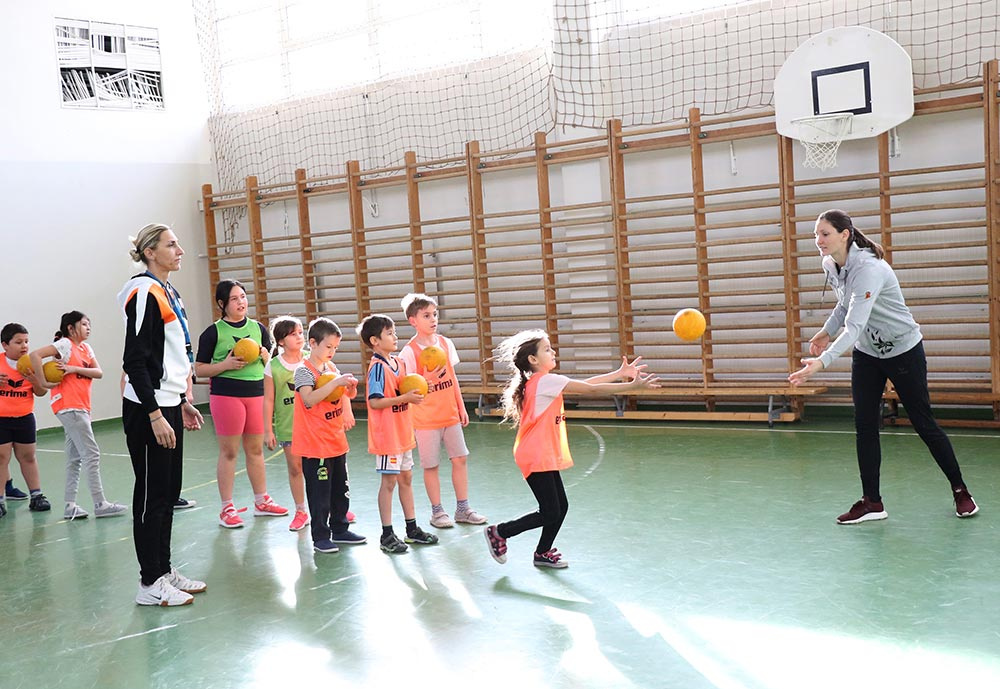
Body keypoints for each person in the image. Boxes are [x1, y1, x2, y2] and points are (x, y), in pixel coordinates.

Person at [788, 209, 979, 524]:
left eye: (825, 234)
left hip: (903, 350)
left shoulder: (869, 268)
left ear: (844, 234)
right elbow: (845, 304)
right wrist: (826, 331)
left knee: (923, 423)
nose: (818, 240)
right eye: (815, 235)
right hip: (868, 354)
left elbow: (854, 325)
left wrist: (821, 363)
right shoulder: (830, 263)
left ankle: (961, 491)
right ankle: (872, 502)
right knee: (864, 425)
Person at [484, 331, 658, 568]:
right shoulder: (544, 381)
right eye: (547, 349)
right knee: (550, 511)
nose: (553, 352)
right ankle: (500, 532)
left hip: (539, 452)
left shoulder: (542, 381)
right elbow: (590, 390)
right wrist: (631, 386)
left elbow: (585, 385)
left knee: (559, 507)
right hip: (535, 454)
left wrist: (618, 375)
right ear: (533, 359)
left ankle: (542, 552)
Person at [118, 223, 206, 606]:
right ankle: (148, 583)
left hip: (168, 402)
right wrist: (155, 414)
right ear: (150, 252)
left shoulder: (168, 290)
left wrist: (181, 400)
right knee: (151, 494)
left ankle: (164, 569)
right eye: (171, 245)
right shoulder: (144, 292)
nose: (180, 250)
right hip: (146, 408)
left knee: (169, 492)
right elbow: (135, 361)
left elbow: (168, 355)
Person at [195, 279, 287, 528]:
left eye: (243, 297)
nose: (241, 302)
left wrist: (266, 356)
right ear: (222, 304)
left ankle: (262, 501)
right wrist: (225, 365)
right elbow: (199, 369)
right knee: (230, 452)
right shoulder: (213, 332)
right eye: (234, 299)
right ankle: (227, 508)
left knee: (255, 450)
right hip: (226, 396)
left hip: (256, 394)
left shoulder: (259, 329)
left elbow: (270, 365)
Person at [28, 312, 128, 520]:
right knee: (91, 453)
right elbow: (35, 355)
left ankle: (70, 505)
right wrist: (43, 382)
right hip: (69, 406)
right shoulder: (64, 344)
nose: (88, 327)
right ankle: (100, 503)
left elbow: (99, 372)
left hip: (80, 407)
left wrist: (72, 368)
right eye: (83, 324)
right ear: (71, 328)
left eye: (89, 324)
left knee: (75, 458)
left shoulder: (86, 348)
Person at [398, 293, 486, 528]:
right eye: (426, 316)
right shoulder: (409, 352)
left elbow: (452, 377)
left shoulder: (445, 343)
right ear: (413, 320)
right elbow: (409, 389)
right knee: (431, 466)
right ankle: (437, 512)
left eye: (434, 314)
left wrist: (460, 405)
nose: (433, 319)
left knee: (460, 459)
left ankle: (463, 509)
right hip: (425, 419)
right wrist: (427, 379)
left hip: (450, 414)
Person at [264, 315, 357, 532]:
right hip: (292, 425)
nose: (299, 337)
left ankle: (336, 513)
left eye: (300, 332)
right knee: (298, 470)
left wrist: (348, 404)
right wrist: (268, 429)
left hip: (322, 430)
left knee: (332, 476)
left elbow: (339, 391)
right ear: (280, 340)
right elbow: (272, 399)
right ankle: (302, 511)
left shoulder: (325, 363)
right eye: (292, 334)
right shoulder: (286, 368)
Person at [357, 314, 439, 554]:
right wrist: (405, 398)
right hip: (388, 436)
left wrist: (422, 386)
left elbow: (406, 387)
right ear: (375, 341)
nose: (395, 337)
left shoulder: (399, 363)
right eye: (389, 333)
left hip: (403, 432)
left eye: (394, 332)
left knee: (406, 479)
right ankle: (386, 534)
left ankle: (412, 529)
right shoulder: (378, 368)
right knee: (389, 482)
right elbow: (375, 402)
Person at [291, 317, 366, 553]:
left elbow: (341, 395)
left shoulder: (331, 369)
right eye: (328, 346)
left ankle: (340, 529)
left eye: (335, 347)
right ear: (313, 343)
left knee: (340, 490)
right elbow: (309, 399)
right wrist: (335, 384)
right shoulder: (304, 371)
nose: (332, 351)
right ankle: (321, 536)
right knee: (320, 494)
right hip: (315, 445)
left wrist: (349, 391)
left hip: (335, 441)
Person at [0, 323, 52, 518]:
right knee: (1, 458)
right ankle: (0, 499)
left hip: (24, 418)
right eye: (18, 342)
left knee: (28, 457)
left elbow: (41, 392)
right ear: (5, 345)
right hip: (1, 419)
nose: (24, 346)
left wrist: (35, 381)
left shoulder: (31, 363)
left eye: (26, 341)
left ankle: (36, 496)